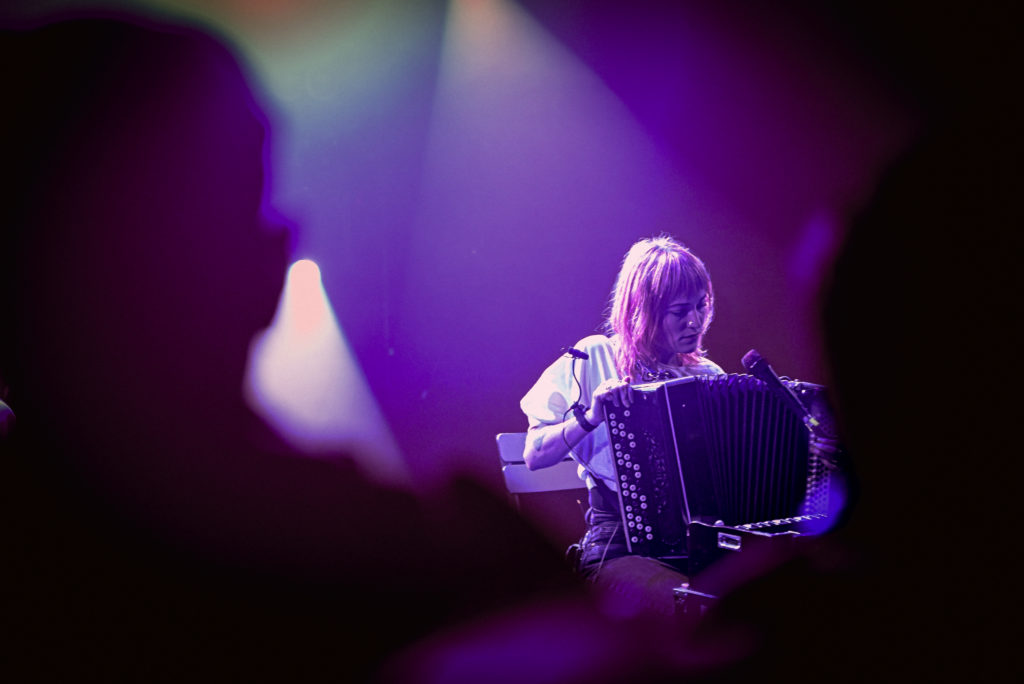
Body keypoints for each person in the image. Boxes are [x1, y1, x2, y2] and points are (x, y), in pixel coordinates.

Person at [520, 236, 726, 616]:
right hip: (617, 546)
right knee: (698, 605)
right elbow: (533, 456)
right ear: (644, 310)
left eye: (701, 306)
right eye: (679, 311)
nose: (695, 321)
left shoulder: (708, 375)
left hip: (701, 544)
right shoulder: (594, 356)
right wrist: (590, 416)